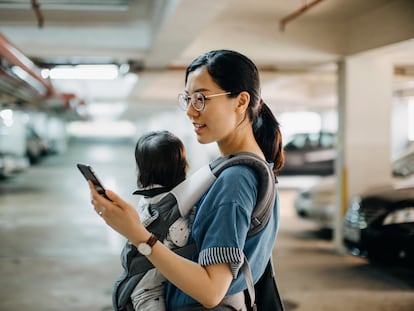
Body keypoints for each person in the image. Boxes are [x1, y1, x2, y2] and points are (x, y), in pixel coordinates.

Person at [90, 49, 284, 310]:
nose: (191, 112)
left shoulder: (236, 180)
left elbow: (211, 290)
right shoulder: (253, 168)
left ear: (240, 101)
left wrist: (137, 234)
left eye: (202, 99)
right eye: (188, 99)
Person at [116, 130, 193, 311]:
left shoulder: (148, 198)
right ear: (181, 167)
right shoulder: (174, 210)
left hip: (140, 282)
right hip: (149, 292)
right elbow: (183, 239)